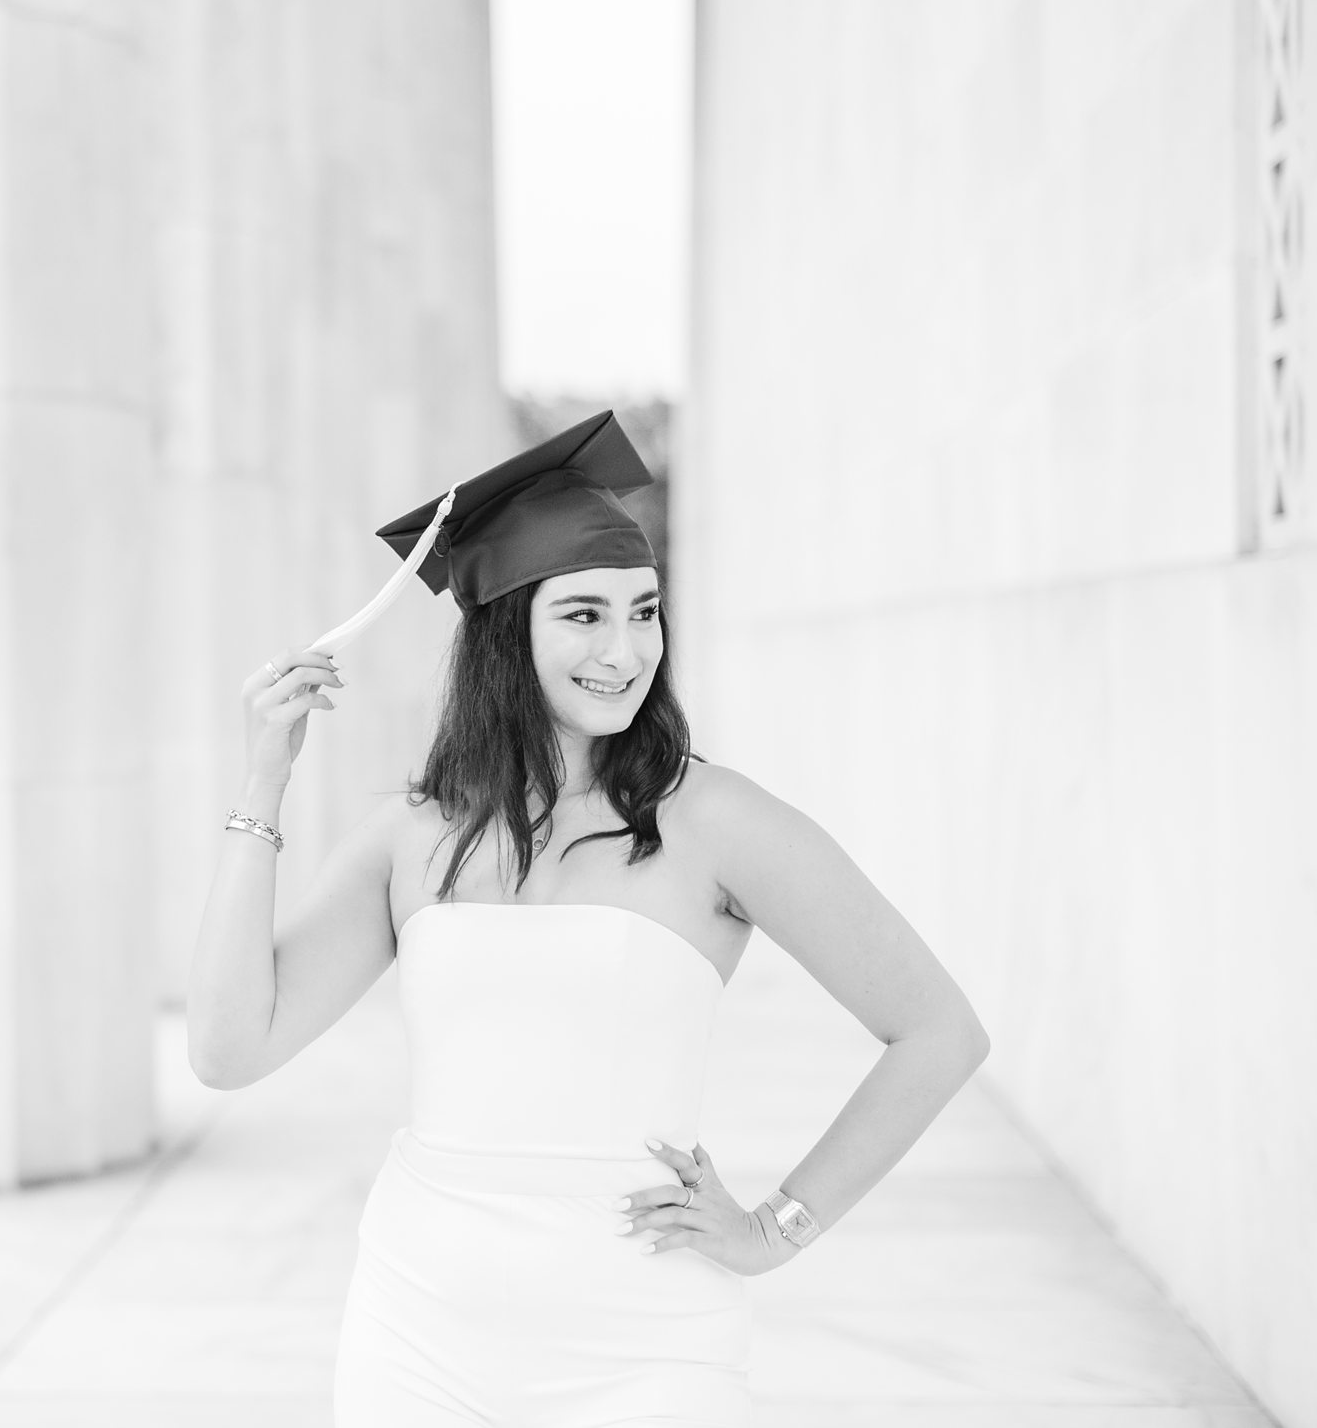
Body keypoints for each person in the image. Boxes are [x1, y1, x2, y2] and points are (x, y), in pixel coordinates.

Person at [185, 409, 992, 1427]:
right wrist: (265, 780)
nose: (626, 649)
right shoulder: (414, 836)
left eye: (644, 610)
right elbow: (226, 1046)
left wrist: (775, 1228)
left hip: (645, 1342)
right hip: (420, 1328)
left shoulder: (714, 821)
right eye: (584, 614)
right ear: (506, 630)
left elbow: (938, 1031)